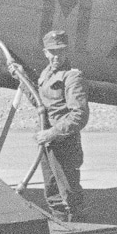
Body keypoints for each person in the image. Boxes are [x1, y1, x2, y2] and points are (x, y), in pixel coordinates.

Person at [34, 29, 89, 222]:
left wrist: (52, 133)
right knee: (52, 194)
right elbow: (40, 102)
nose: (57, 56)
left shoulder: (72, 77)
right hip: (48, 142)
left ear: (67, 52)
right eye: (52, 51)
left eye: (61, 51)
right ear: (45, 52)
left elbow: (79, 115)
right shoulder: (46, 74)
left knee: (70, 195)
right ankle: (58, 231)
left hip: (64, 142)